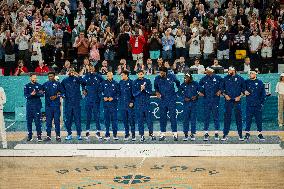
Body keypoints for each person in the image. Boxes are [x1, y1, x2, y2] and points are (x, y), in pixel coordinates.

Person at [154, 67, 180, 141]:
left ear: (166, 72)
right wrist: (157, 92)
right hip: (162, 100)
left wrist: (177, 93)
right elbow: (156, 87)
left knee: (173, 117)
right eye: (160, 73)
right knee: (162, 118)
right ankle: (163, 134)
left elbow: (178, 84)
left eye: (162, 73)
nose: (161, 74)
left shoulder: (172, 76)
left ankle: (175, 134)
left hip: (171, 100)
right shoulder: (157, 78)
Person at [222, 67, 246, 141]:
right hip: (228, 101)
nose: (229, 71)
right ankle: (225, 134)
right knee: (227, 118)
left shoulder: (240, 79)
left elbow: (244, 90)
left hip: (237, 101)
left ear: (234, 70)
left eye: (230, 70)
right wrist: (225, 95)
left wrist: (240, 96)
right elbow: (222, 89)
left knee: (238, 118)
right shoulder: (225, 79)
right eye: (228, 70)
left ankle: (240, 135)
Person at [199, 67, 223, 141]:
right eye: (206, 71)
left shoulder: (218, 77)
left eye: (207, 71)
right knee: (206, 117)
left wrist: (220, 90)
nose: (206, 72)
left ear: (211, 71)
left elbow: (223, 84)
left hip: (215, 100)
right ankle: (206, 133)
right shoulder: (204, 78)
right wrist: (200, 92)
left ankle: (216, 133)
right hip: (207, 101)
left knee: (216, 117)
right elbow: (198, 86)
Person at [61, 68, 85, 140]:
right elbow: (61, 88)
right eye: (70, 71)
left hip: (76, 103)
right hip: (68, 103)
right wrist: (63, 94)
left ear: (74, 72)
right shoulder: (65, 80)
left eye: (72, 71)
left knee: (77, 119)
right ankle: (69, 134)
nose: (71, 72)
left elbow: (84, 82)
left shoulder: (77, 79)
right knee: (68, 119)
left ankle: (79, 134)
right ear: (68, 72)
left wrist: (78, 76)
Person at [82, 66, 104, 140]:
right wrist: (83, 89)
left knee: (97, 116)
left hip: (96, 99)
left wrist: (100, 92)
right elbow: (82, 83)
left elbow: (103, 83)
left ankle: (98, 132)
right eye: (90, 68)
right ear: (88, 69)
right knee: (88, 116)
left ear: (94, 69)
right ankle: (87, 131)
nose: (91, 69)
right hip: (88, 99)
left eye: (92, 68)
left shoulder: (98, 76)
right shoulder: (86, 76)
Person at [132, 70, 155, 142]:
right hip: (138, 105)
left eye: (141, 74)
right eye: (139, 74)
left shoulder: (147, 81)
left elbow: (150, 92)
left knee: (149, 120)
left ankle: (151, 134)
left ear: (144, 74)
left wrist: (145, 89)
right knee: (140, 121)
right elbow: (134, 94)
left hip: (147, 104)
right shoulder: (134, 82)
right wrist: (140, 90)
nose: (140, 75)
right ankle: (141, 135)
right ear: (137, 74)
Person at [244, 71, 266, 141]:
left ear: (255, 74)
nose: (250, 75)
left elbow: (263, 94)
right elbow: (241, 87)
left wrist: (261, 103)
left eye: (252, 73)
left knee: (258, 120)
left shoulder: (260, 82)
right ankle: (247, 133)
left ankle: (260, 133)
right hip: (249, 105)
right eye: (250, 74)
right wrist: (244, 91)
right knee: (248, 120)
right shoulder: (246, 82)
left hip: (257, 105)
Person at [42, 72, 63, 142]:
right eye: (49, 76)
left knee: (57, 121)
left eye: (51, 76)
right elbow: (40, 91)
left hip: (56, 106)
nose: (50, 77)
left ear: (54, 76)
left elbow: (62, 93)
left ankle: (58, 136)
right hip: (48, 106)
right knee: (48, 122)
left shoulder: (58, 84)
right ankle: (48, 136)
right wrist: (41, 92)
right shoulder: (45, 84)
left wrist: (56, 96)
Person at [179, 73, 200, 141]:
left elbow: (201, 91)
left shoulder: (195, 83)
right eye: (184, 78)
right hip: (186, 104)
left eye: (186, 78)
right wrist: (183, 98)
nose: (185, 79)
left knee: (193, 119)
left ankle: (192, 134)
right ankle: (186, 134)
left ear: (190, 78)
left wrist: (196, 96)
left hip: (194, 104)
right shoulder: (182, 85)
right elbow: (179, 93)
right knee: (185, 119)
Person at [24, 73, 44, 142]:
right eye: (34, 78)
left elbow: (42, 94)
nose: (35, 79)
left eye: (36, 78)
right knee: (29, 122)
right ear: (30, 78)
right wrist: (31, 94)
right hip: (29, 107)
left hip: (37, 107)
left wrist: (35, 94)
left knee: (38, 122)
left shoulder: (39, 85)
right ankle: (30, 135)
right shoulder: (27, 86)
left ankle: (39, 136)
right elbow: (26, 96)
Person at [101, 72, 119, 140]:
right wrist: (103, 97)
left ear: (112, 76)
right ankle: (107, 134)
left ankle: (115, 134)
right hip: (106, 105)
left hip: (113, 105)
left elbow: (118, 93)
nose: (108, 77)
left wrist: (113, 98)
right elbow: (100, 92)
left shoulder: (116, 83)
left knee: (114, 120)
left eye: (110, 76)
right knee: (107, 120)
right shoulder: (103, 83)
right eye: (107, 76)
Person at [119, 70, 135, 141]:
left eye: (122, 75)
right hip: (122, 105)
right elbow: (119, 93)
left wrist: (132, 101)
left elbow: (134, 93)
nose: (121, 76)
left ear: (126, 75)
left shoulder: (131, 82)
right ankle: (127, 134)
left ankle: (133, 134)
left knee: (131, 120)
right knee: (125, 120)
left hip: (130, 105)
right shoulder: (120, 82)